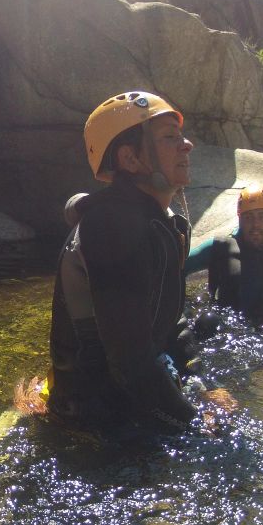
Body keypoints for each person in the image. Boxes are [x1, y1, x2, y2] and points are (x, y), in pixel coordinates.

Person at [45, 91, 235, 433]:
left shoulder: (161, 220)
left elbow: (172, 319)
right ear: (130, 159)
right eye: (169, 138)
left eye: (181, 136)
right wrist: (197, 427)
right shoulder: (112, 228)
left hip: (132, 394)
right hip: (95, 418)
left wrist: (205, 387)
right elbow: (129, 363)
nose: (187, 145)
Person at [185, 185, 263, 319]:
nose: (256, 224)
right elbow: (175, 266)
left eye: (262, 217)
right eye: (249, 218)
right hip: (229, 331)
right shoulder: (220, 247)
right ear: (240, 219)